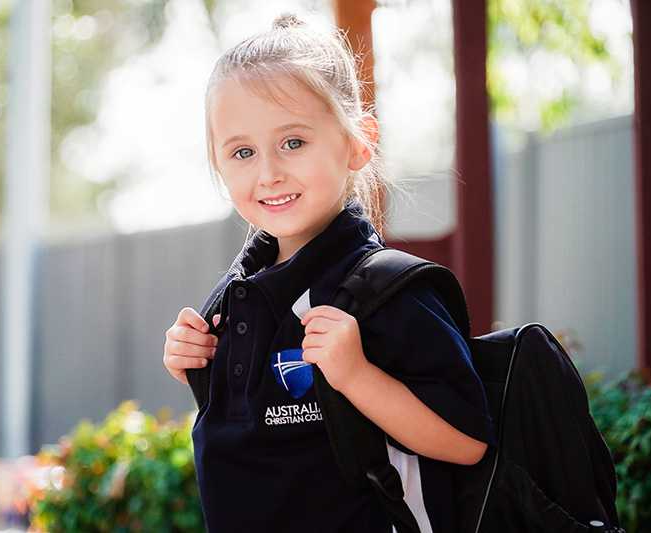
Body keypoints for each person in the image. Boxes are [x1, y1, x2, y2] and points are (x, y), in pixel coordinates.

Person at [163, 12, 495, 533]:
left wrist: (358, 376)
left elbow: (468, 440)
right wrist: (195, 363)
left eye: (293, 142)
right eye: (243, 152)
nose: (269, 171)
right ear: (218, 163)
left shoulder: (386, 291)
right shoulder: (233, 300)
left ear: (357, 143)